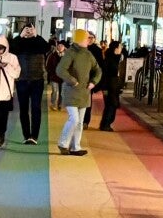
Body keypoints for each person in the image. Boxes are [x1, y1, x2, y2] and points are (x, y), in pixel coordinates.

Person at [55, 29, 102, 157]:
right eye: (87, 37)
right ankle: (63, 143)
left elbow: (98, 70)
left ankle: (76, 146)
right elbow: (60, 70)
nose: (89, 40)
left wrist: (93, 82)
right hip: (71, 91)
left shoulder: (88, 54)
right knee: (74, 119)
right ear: (80, 39)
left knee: (80, 121)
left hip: (84, 92)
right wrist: (72, 81)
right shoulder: (70, 53)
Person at [11, 23, 49, 145]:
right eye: (26, 30)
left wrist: (36, 35)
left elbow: (46, 47)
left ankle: (34, 136)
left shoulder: (38, 42)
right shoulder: (19, 43)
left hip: (37, 80)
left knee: (36, 108)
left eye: (30, 30)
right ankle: (26, 135)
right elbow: (11, 49)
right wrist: (20, 36)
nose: (28, 32)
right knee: (23, 109)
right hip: (22, 80)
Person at [98, 39, 126, 130]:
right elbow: (105, 74)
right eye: (120, 47)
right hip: (109, 85)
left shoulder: (117, 58)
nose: (121, 48)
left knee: (113, 105)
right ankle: (105, 124)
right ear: (116, 48)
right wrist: (104, 87)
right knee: (110, 105)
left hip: (114, 86)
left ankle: (107, 124)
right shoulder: (109, 59)